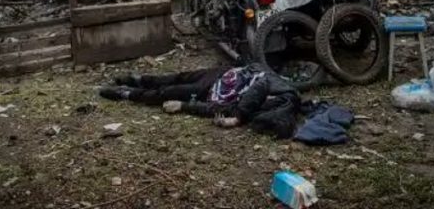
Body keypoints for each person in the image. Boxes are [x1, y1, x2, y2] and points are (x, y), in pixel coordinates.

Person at [99, 64, 301, 139]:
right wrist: (238, 118)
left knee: (171, 91)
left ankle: (127, 93)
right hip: (227, 78)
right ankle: (138, 80)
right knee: (178, 79)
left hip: (221, 85)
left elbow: (224, 109)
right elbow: (258, 87)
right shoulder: (286, 98)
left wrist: (185, 106)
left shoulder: (264, 112)